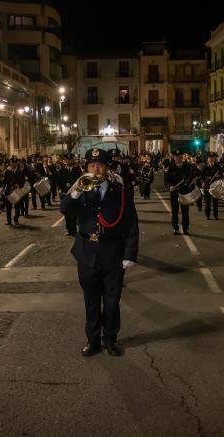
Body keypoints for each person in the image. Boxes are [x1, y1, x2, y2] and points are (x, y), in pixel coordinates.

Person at [60, 148, 139, 357]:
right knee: (91, 300)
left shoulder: (120, 191)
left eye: (100, 165)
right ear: (86, 167)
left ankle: (110, 339)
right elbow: (64, 209)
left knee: (112, 301)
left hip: (112, 251)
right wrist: (75, 190)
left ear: (107, 167)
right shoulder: (81, 189)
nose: (96, 169)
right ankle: (93, 340)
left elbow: (131, 223)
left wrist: (130, 254)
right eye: (92, 165)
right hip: (86, 251)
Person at [166, 149, 193, 235]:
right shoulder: (171, 166)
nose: (178, 158)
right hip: (174, 192)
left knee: (185, 212)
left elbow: (192, 177)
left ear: (182, 157)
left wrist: (190, 183)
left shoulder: (187, 166)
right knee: (174, 211)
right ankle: (175, 227)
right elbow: (167, 179)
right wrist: (170, 186)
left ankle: (186, 228)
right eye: (176, 157)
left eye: (179, 156)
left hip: (185, 192)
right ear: (174, 157)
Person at [57, 154, 82, 235]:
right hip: (65, 194)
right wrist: (60, 189)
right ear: (65, 161)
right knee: (67, 212)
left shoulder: (77, 169)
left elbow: (81, 180)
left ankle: (74, 229)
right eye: (67, 160)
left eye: (70, 160)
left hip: (75, 194)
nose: (68, 161)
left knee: (74, 212)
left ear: (72, 160)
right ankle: (68, 229)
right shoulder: (61, 170)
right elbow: (58, 182)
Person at [200, 152, 223, 220]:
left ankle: (215, 215)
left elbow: (221, 175)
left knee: (215, 201)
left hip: (215, 186)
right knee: (207, 202)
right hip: (207, 186)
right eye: (210, 158)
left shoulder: (217, 166)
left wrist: (219, 176)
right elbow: (201, 177)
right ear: (208, 159)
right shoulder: (205, 166)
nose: (211, 159)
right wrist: (203, 182)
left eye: (213, 158)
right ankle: (208, 215)